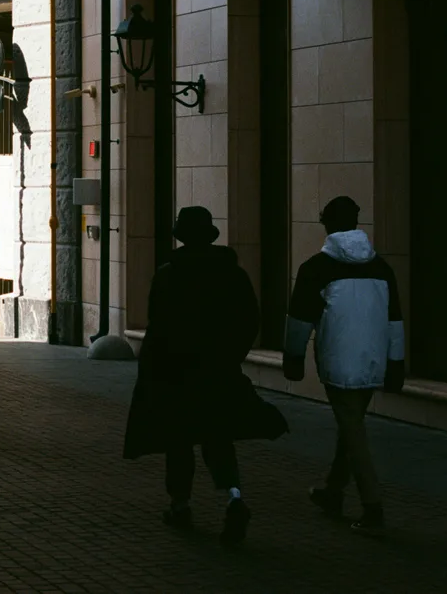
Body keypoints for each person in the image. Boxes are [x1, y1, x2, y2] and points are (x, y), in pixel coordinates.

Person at [123, 207, 288, 547]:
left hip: (178, 374)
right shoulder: (233, 274)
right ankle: (234, 498)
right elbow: (249, 320)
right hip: (218, 372)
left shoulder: (169, 275)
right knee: (219, 439)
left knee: (179, 441)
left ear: (181, 237)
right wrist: (230, 357)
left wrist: (152, 372)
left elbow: (158, 329)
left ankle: (180, 505)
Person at [285, 195, 404, 535]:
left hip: (338, 363)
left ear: (326, 224)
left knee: (353, 431)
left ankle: (373, 507)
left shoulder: (315, 268)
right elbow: (395, 320)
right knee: (350, 427)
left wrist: (293, 359)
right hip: (374, 360)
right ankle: (333, 491)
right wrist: (396, 363)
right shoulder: (381, 267)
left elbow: (298, 321)